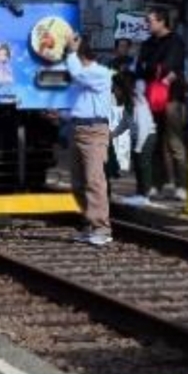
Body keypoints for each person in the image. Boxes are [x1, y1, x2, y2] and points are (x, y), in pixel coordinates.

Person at [64, 34, 114, 246]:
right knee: (78, 183)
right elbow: (80, 104)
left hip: (94, 130)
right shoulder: (82, 75)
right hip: (77, 128)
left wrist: (70, 52)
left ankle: (102, 228)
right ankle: (88, 224)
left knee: (94, 180)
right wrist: (62, 115)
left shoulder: (99, 73)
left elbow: (78, 74)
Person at [135, 6, 188, 201]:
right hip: (151, 97)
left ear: (161, 21)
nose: (147, 24)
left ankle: (182, 185)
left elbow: (168, 66)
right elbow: (140, 68)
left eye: (150, 21)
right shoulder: (148, 43)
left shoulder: (176, 41)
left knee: (175, 141)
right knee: (155, 141)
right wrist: (154, 68)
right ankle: (157, 184)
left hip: (171, 98)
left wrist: (153, 67)